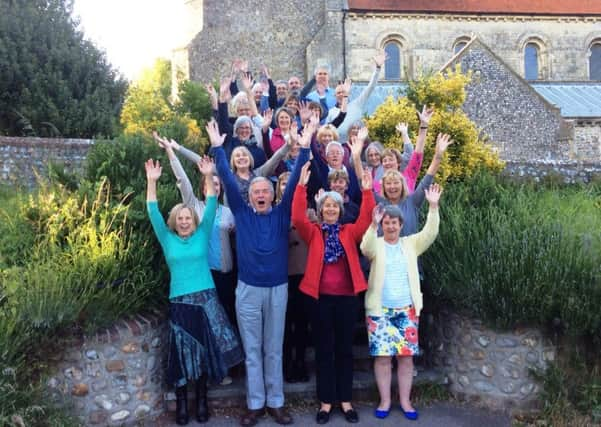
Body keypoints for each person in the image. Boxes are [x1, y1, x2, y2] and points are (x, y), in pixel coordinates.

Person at [207, 118, 311, 427]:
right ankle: (255, 403)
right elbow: (225, 176)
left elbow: (291, 184)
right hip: (248, 290)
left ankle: (276, 403)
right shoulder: (240, 212)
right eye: (257, 191)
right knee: (252, 348)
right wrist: (217, 147)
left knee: (273, 348)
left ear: (272, 195)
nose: (262, 194)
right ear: (249, 196)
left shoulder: (281, 214)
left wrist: (304, 147)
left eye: (266, 190)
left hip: (277, 289)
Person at [144, 156, 243, 425]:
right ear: (174, 222)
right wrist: (151, 182)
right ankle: (182, 404)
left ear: (194, 220)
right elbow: (152, 210)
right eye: (181, 218)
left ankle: (201, 401)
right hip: (180, 301)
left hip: (207, 299)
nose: (186, 221)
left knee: (203, 353)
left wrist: (209, 175)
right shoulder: (167, 239)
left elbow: (211, 204)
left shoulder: (202, 232)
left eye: (188, 217)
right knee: (181, 353)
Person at [291, 161, 376, 425]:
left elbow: (365, 218)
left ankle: (346, 400)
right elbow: (296, 217)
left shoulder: (349, 232)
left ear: (340, 210)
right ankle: (326, 402)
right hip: (320, 300)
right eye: (326, 206)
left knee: (345, 350)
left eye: (334, 206)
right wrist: (301, 187)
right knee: (325, 350)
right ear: (321, 209)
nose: (330, 209)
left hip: (347, 300)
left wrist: (368, 190)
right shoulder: (313, 233)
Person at [360, 184, 442, 421]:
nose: (391, 226)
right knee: (383, 358)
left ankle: (405, 401)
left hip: (407, 310)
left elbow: (430, 233)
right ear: (383, 226)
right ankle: (385, 400)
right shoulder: (376, 245)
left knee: (406, 359)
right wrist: (373, 224)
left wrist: (433, 207)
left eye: (394, 223)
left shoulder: (410, 244)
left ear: (401, 225)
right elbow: (365, 246)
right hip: (380, 311)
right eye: (387, 223)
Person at [152, 132, 237, 332]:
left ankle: (230, 362)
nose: (214, 187)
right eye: (210, 184)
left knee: (227, 322)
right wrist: (172, 153)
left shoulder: (228, 212)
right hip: (205, 275)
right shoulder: (194, 208)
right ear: (204, 187)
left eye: (217, 185)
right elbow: (182, 180)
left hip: (226, 274)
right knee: (208, 326)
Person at [377, 133, 452, 237]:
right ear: (384, 187)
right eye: (388, 184)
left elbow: (428, 178)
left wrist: (438, 155)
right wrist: (356, 156)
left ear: (402, 185)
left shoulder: (412, 201)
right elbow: (363, 185)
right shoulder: (379, 203)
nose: (392, 186)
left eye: (396, 183)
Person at [276, 172, 311, 384]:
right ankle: (286, 363)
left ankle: (300, 362)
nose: (285, 185)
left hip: (303, 273)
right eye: (282, 182)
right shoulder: (274, 211)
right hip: (281, 274)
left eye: (290, 182)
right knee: (285, 323)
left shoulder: (308, 211)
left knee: (301, 322)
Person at [325, 51, 386, 142]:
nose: (341, 94)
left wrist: (377, 68)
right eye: (339, 93)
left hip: (357, 145)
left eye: (344, 92)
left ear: (348, 93)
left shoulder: (357, 104)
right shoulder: (331, 113)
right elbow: (326, 133)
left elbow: (371, 87)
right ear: (334, 95)